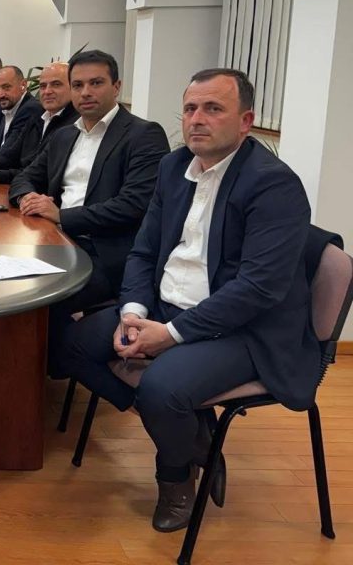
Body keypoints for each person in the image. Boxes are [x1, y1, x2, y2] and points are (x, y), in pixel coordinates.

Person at [62, 68, 317, 533]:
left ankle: (176, 476)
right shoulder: (174, 167)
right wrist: (133, 313)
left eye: (213, 109)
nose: (197, 119)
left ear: (245, 121)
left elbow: (259, 288)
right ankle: (198, 439)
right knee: (70, 346)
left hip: (245, 328)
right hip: (166, 306)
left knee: (162, 389)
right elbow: (145, 250)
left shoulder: (273, 185)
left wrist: (171, 335)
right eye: (190, 109)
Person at [9, 49, 169, 377]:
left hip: (105, 254)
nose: (86, 92)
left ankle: (39, 375)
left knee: (34, 297)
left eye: (96, 83)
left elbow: (133, 205)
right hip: (55, 242)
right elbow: (25, 176)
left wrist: (61, 216)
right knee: (3, 282)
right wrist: (28, 197)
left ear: (117, 86)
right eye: (78, 85)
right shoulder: (65, 134)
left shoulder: (143, 134)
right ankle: (21, 371)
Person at [0, 62, 77, 184]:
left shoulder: (73, 124)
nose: (47, 91)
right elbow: (11, 155)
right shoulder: (39, 117)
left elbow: (41, 172)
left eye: (56, 84)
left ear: (73, 87)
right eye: (42, 86)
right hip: (23, 186)